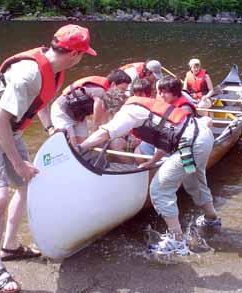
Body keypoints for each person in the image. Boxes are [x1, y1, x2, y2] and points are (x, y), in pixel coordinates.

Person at [0, 24, 96, 292]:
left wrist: (50, 129)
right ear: (75, 55)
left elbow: (42, 101)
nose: (82, 59)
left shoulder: (54, 70)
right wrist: (17, 163)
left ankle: (10, 246)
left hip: (10, 133)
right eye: (83, 55)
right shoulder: (28, 74)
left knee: (28, 184)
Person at [76, 77, 221, 256]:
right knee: (194, 180)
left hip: (190, 145)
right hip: (201, 137)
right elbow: (165, 137)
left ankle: (177, 241)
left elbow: (105, 132)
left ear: (113, 107)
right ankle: (211, 218)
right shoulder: (144, 107)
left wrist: (79, 148)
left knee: (160, 189)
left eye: (107, 111)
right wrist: (153, 162)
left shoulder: (128, 112)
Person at [51, 69, 131, 146]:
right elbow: (98, 105)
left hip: (79, 116)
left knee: (83, 145)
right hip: (63, 112)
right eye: (122, 89)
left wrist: (106, 130)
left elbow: (106, 113)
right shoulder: (100, 90)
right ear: (113, 84)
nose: (123, 93)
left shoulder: (109, 93)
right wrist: (95, 128)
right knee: (72, 146)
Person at [135, 76, 197, 160]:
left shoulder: (185, 109)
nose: (161, 95)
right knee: (141, 147)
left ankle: (156, 166)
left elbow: (176, 137)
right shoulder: (167, 102)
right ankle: (149, 168)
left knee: (158, 148)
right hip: (166, 139)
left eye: (165, 92)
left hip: (182, 145)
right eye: (160, 92)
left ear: (175, 92)